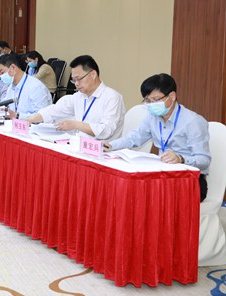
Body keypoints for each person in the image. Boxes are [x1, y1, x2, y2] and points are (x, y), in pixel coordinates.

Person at [105, 73, 210, 202]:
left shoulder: (193, 121)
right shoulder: (152, 117)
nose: (151, 105)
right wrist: (110, 145)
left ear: (172, 96)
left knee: (149, 197)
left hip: (190, 179)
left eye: (156, 100)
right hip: (162, 174)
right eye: (148, 101)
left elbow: (204, 159)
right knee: (128, 190)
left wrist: (180, 159)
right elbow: (134, 137)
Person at [25, 55, 124, 140]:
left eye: (79, 79)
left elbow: (106, 131)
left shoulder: (112, 97)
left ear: (93, 74)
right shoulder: (79, 96)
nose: (76, 84)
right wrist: (29, 120)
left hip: (104, 151)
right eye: (74, 80)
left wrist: (75, 125)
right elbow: (54, 110)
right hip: (80, 147)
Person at [0, 54, 51, 118]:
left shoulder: (36, 87)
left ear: (13, 67)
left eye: (2, 72)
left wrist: (17, 116)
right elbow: (6, 104)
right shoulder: (11, 86)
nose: (1, 77)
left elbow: (41, 117)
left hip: (33, 124)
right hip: (15, 122)